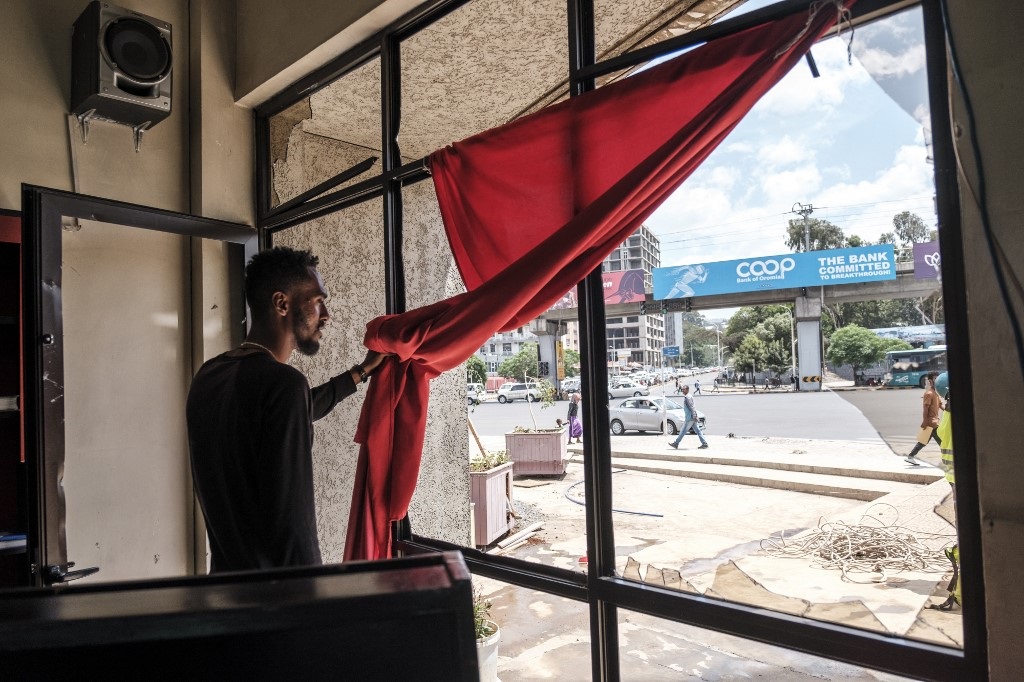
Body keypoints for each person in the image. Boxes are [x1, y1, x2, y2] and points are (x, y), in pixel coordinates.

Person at [186, 247, 387, 573]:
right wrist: (312, 604)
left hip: (224, 591)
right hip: (275, 600)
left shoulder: (209, 376)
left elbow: (281, 412)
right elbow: (295, 527)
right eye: (318, 300)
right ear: (282, 303)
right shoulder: (283, 386)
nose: (326, 314)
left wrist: (359, 374)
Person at [904, 371, 943, 466]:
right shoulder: (929, 393)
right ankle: (949, 459)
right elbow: (925, 408)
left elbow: (941, 406)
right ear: (930, 381)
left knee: (923, 441)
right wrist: (925, 421)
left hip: (934, 421)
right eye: (935, 379)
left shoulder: (935, 393)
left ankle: (910, 456)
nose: (937, 380)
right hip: (932, 422)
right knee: (943, 441)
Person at [668, 385, 708, 449]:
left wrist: (695, 416)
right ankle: (704, 443)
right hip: (691, 417)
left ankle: (676, 443)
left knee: (683, 431)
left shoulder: (688, 398)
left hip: (690, 418)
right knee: (698, 431)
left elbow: (692, 407)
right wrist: (695, 416)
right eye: (682, 389)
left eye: (684, 389)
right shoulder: (688, 396)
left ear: (687, 390)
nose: (682, 390)